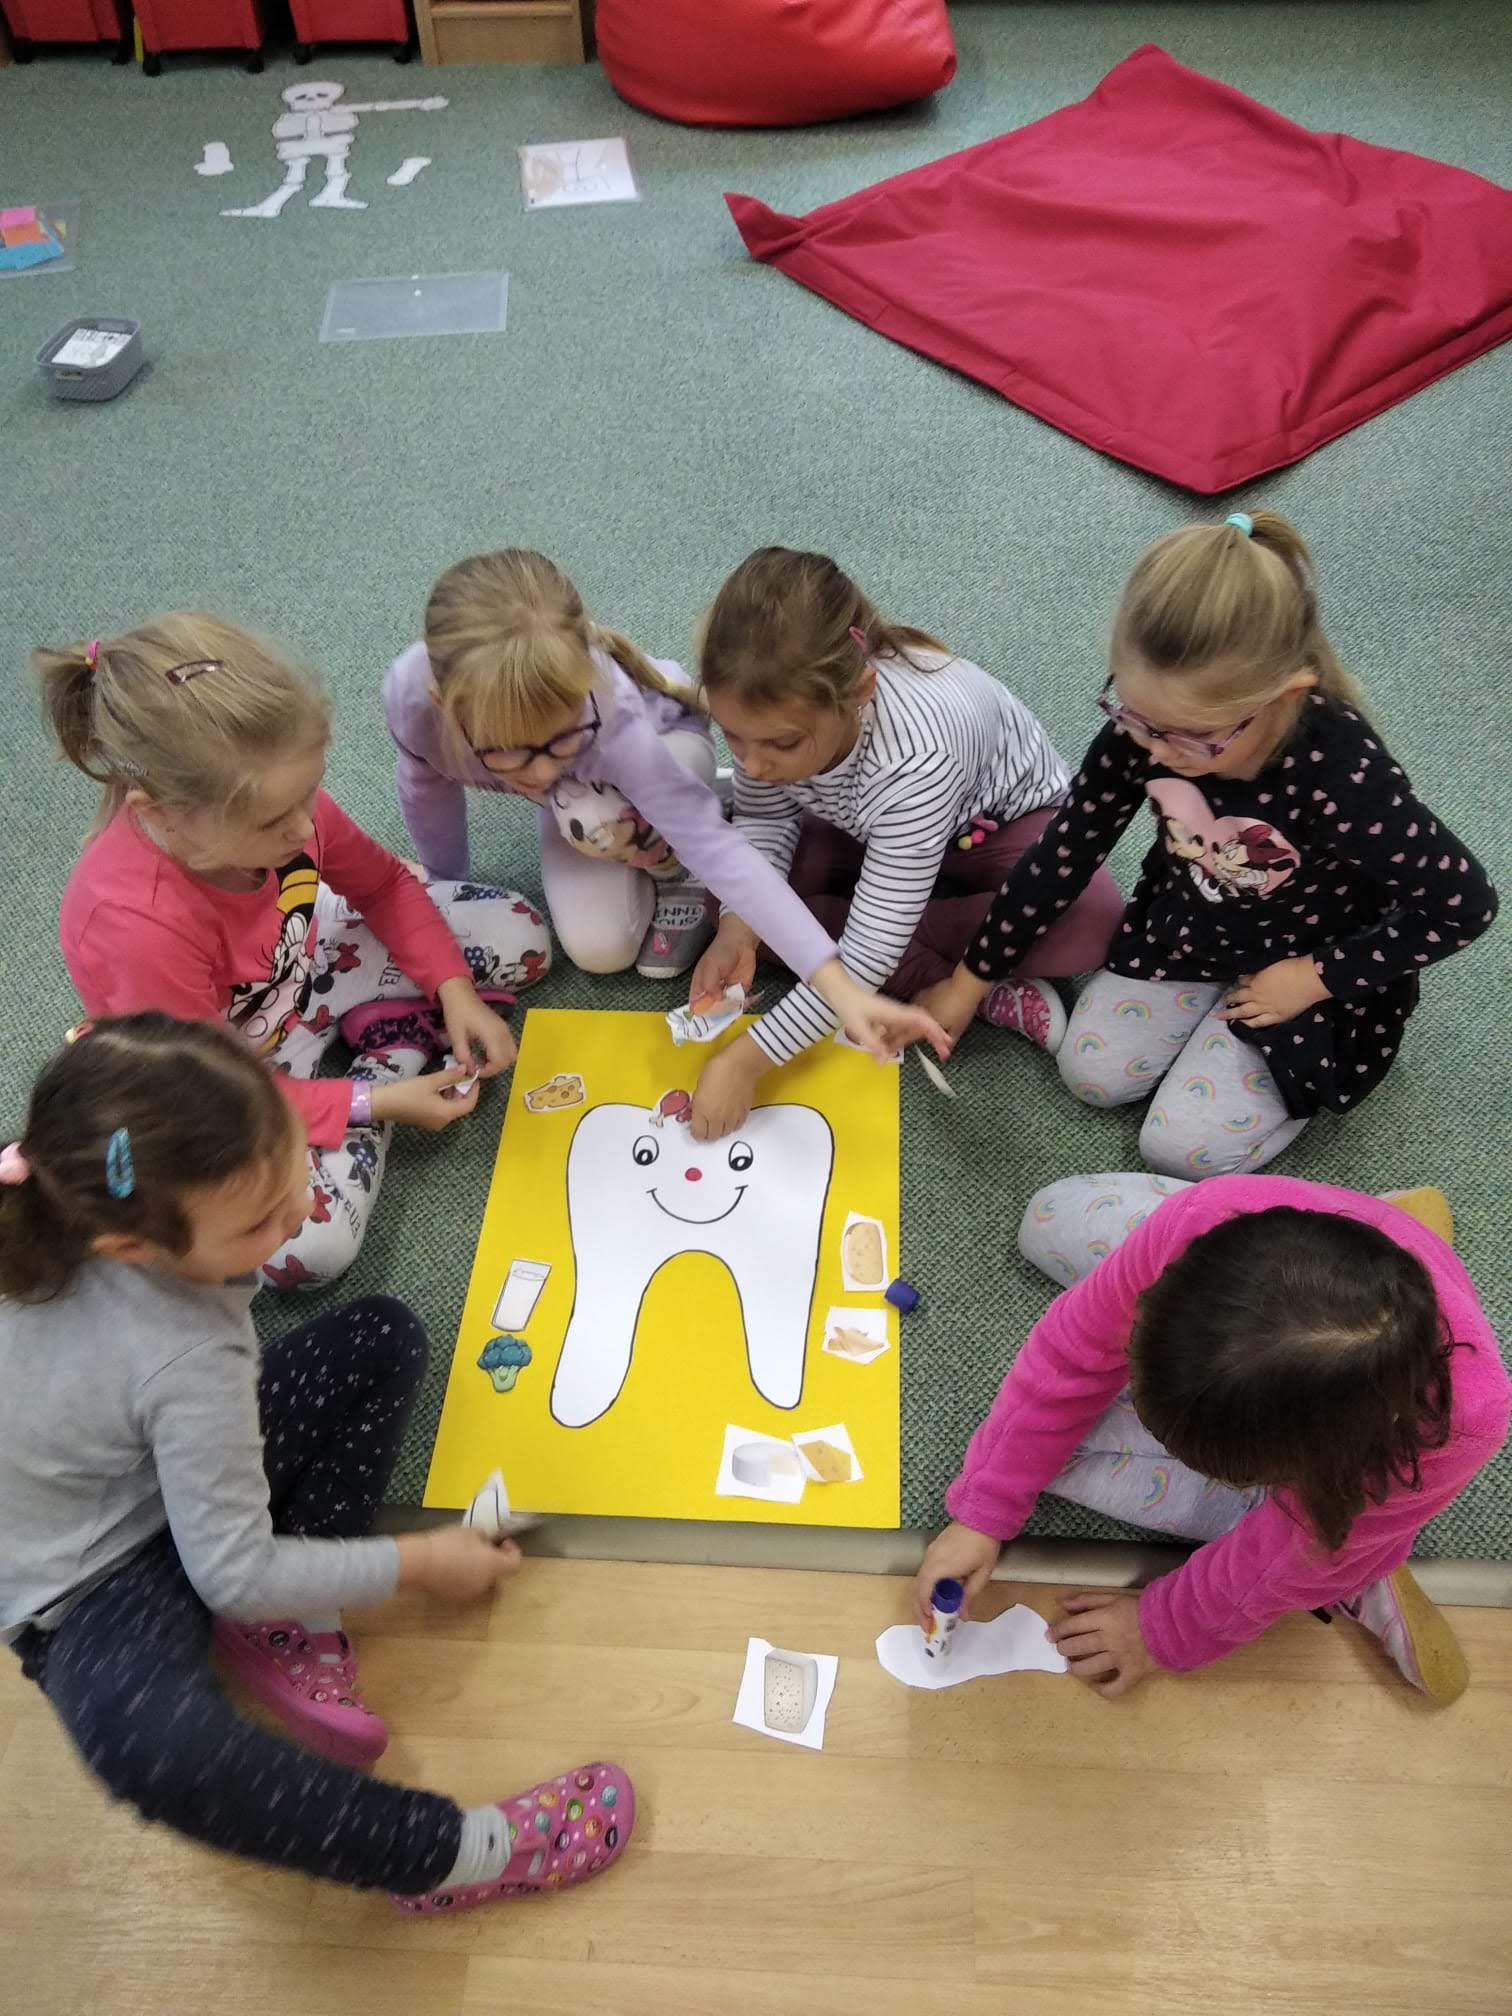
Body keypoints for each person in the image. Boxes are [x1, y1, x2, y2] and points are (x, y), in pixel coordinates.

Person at [0, 1015, 634, 1911]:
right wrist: (418, 1561)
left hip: (170, 1481)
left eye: (297, 1165)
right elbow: (234, 1570)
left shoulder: (82, 1186)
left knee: (381, 1336)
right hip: (89, 1594)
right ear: (131, 1247)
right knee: (156, 1750)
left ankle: (284, 1622)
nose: (302, 1211)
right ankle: (455, 1856)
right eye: (261, 1220)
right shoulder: (190, 1356)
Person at [917, 511, 1498, 1177]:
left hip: (1306, 962)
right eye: (1132, 713)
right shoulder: (1148, 729)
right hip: (1191, 929)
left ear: (1285, 695)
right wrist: (971, 979)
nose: (1154, 749)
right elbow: (1063, 855)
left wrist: (1313, 979)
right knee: (1091, 1074)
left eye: (1190, 736)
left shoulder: (1343, 775)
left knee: (1177, 1149)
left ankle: (1279, 1059)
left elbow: (1466, 905)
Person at [40, 613, 552, 1288]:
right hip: (225, 1076)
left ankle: (387, 1035)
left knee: (523, 936)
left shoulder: (277, 805)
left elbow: (383, 885)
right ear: (162, 813)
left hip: (306, 966)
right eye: (274, 820)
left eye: (309, 794)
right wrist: (379, 1103)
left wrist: (454, 990)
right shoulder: (136, 927)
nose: (305, 826)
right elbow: (211, 1099)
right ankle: (389, 1057)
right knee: (300, 1248)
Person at [914, 1173, 1509, 1705]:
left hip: (1362, 1466)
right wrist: (983, 1511)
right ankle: (1399, 1230)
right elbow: (1073, 1351)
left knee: (1331, 1545)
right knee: (1046, 1219)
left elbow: (1296, 1552)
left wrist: (1160, 1629)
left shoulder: (1456, 1425)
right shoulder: (1200, 1219)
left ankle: (1368, 1571)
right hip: (1305, 1258)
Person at [386, 549, 951, 1061]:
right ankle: (639, 841)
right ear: (441, 703)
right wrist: (446, 884)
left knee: (602, 815)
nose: (538, 773)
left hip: (662, 758)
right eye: (508, 752)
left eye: (560, 740)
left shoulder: (614, 719)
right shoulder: (410, 701)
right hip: (583, 803)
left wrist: (838, 987)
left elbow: (716, 847)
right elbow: (426, 792)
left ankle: (678, 852)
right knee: (600, 951)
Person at [686, 547, 1123, 1140]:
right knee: (728, 900)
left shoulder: (917, 760)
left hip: (1000, 826)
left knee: (1090, 920)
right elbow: (764, 817)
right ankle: (958, 966)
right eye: (733, 737)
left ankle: (963, 975)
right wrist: (739, 929)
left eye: (780, 744)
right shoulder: (776, 727)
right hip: (873, 826)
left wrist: (746, 1060)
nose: (753, 764)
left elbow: (866, 957)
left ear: (859, 693)